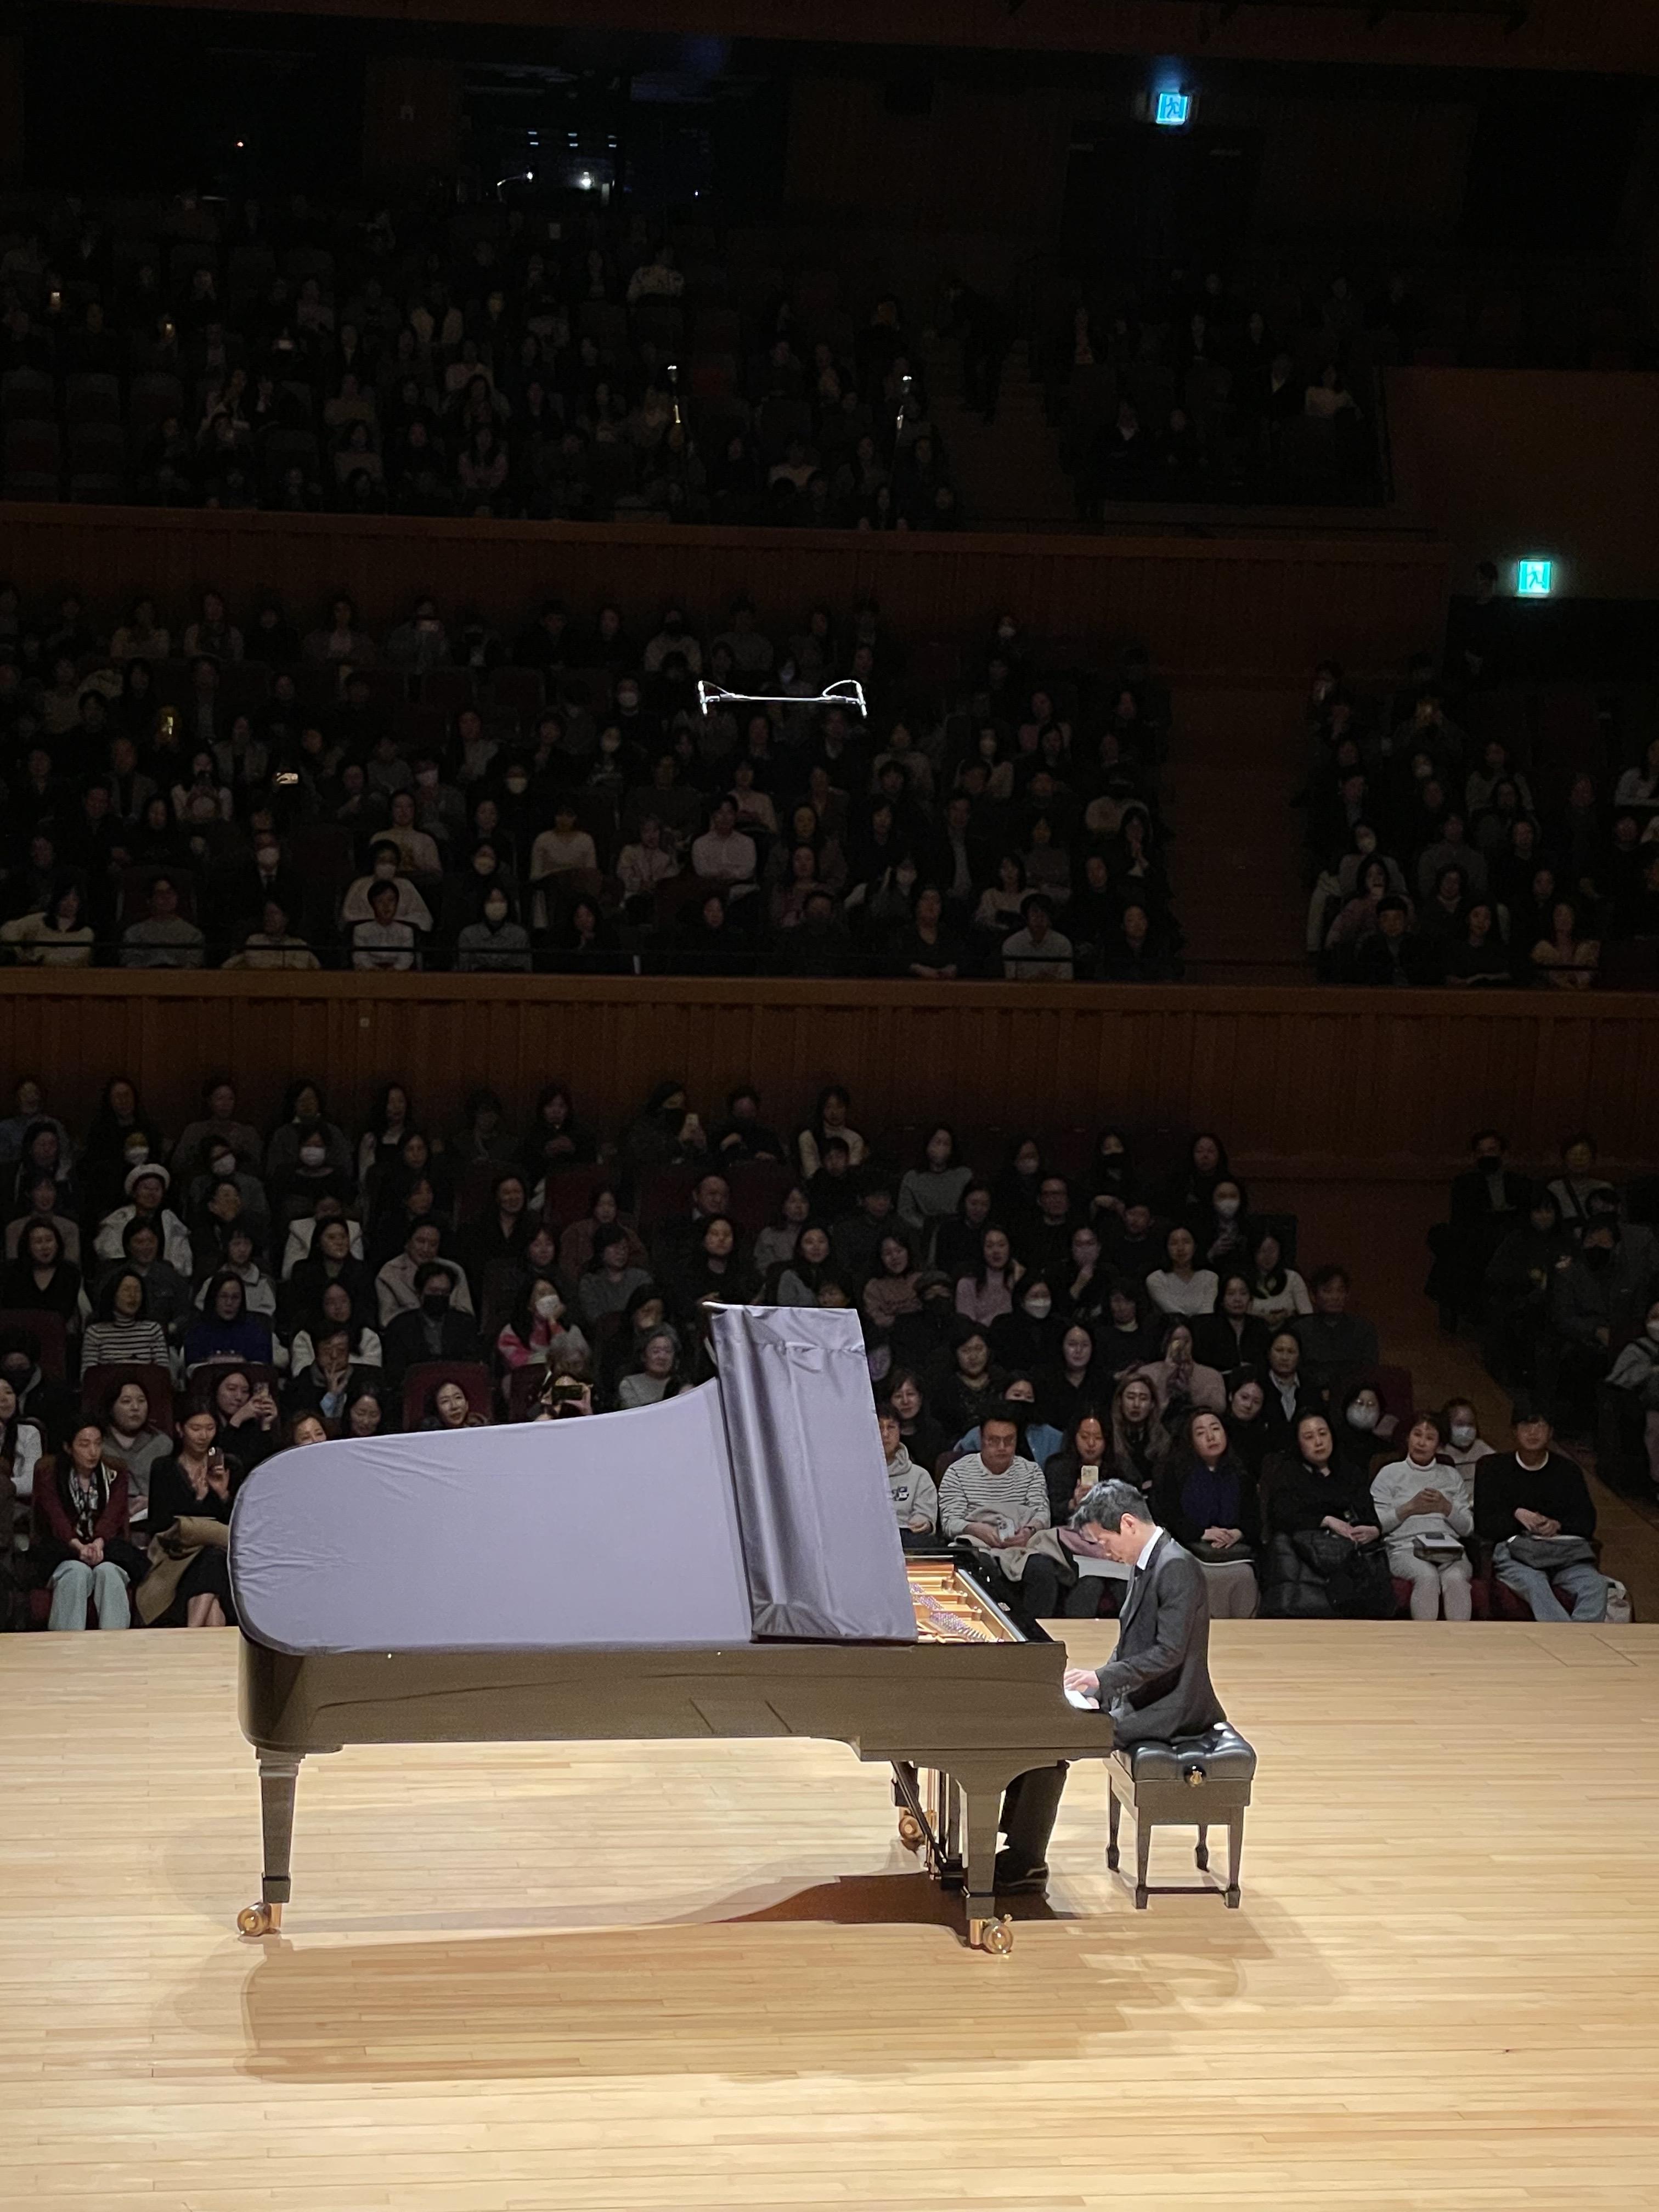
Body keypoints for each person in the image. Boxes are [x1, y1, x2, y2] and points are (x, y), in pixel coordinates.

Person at [997, 1476, 1227, 1893]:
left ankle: (1026, 1861)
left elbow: (1169, 1654)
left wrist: (1103, 1680)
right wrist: (1096, 1682)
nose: (1104, 1552)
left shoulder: (1176, 1567)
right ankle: (1017, 1849)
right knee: (1046, 1722)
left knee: (1056, 1737)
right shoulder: (1149, 1562)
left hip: (1172, 1708)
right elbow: (1130, 1645)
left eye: (1104, 1541)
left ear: (1128, 1524)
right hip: (1143, 1695)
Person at [937, 1406, 1070, 1632]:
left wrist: (1029, 1530)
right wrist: (974, 1529)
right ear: (981, 1439)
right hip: (977, 1541)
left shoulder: (1030, 1471)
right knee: (979, 1567)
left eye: (1009, 1441)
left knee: (1042, 1570)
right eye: (994, 1441)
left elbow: (1042, 1513)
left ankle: (1033, 1634)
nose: (1002, 1447)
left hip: (1021, 1543)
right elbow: (950, 1521)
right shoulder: (957, 1472)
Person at [1474, 1402, 1609, 1622]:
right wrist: (1516, 1515)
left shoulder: (1568, 1471)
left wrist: (1558, 1525)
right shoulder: (1494, 1468)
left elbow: (1587, 1522)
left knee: (1596, 1585)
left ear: (1551, 1432)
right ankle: (1564, 1639)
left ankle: (1581, 1638)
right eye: (1526, 1425)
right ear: (1514, 1431)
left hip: (1562, 1555)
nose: (1533, 1432)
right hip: (1516, 1555)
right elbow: (1485, 1523)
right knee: (1535, 1582)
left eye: (1541, 1426)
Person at [1262, 1410, 1392, 1617]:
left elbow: (1369, 1516)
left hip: (1350, 1555)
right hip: (1303, 1559)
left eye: (1323, 1433)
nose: (1318, 1442)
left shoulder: (1351, 1472)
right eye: (1309, 1437)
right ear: (1298, 1442)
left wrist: (1373, 1530)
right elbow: (1281, 1515)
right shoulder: (1287, 1473)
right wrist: (1327, 1521)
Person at [34, 1421, 146, 1629]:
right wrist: (79, 1547)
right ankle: (68, 1645)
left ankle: (115, 1645)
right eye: (84, 1444)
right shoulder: (50, 1475)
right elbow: (57, 1518)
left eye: (98, 1443)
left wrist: (97, 1544)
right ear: (69, 1448)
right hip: (64, 1551)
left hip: (106, 1550)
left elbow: (113, 1516)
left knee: (109, 1573)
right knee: (76, 1572)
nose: (93, 1451)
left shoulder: (115, 1474)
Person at [1152, 1407, 1261, 1618]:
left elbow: (1254, 1520)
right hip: (1189, 1551)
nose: (1211, 1437)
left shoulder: (1241, 1473)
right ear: (1191, 1441)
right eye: (1201, 1433)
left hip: (1234, 1554)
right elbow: (1168, 1518)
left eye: (1215, 1429)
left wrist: (1238, 1533)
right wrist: (1201, 1533)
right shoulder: (1175, 1473)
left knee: (1245, 1575)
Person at [1370, 1410, 1475, 1621]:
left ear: (1439, 1444)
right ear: (1408, 1437)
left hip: (1449, 1550)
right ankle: (1427, 1639)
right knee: (1427, 1575)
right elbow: (1377, 1525)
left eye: (1430, 1438)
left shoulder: (1451, 1476)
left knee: (1456, 1578)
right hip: (1405, 1550)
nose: (1421, 1443)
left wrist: (1446, 1507)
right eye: (1417, 1435)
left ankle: (1460, 1639)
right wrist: (1410, 1508)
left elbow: (1468, 1529)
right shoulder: (1389, 1473)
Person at [143, 1408, 239, 1627]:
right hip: (177, 1555)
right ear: (180, 1429)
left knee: (212, 1559)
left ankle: (192, 1631)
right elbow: (160, 1522)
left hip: (219, 1557)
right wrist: (199, 1498)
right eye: (196, 1428)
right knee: (213, 1598)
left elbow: (237, 1523)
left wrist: (222, 1494)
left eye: (210, 1428)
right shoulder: (164, 1468)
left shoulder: (229, 1466)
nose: (203, 1436)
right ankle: (203, 1640)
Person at [878, 1400, 940, 1548]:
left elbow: (926, 1517)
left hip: (907, 1540)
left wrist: (923, 1521)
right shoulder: (855, 1476)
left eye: (891, 1427)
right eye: (879, 1428)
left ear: (900, 1431)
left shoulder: (920, 1475)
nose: (885, 1434)